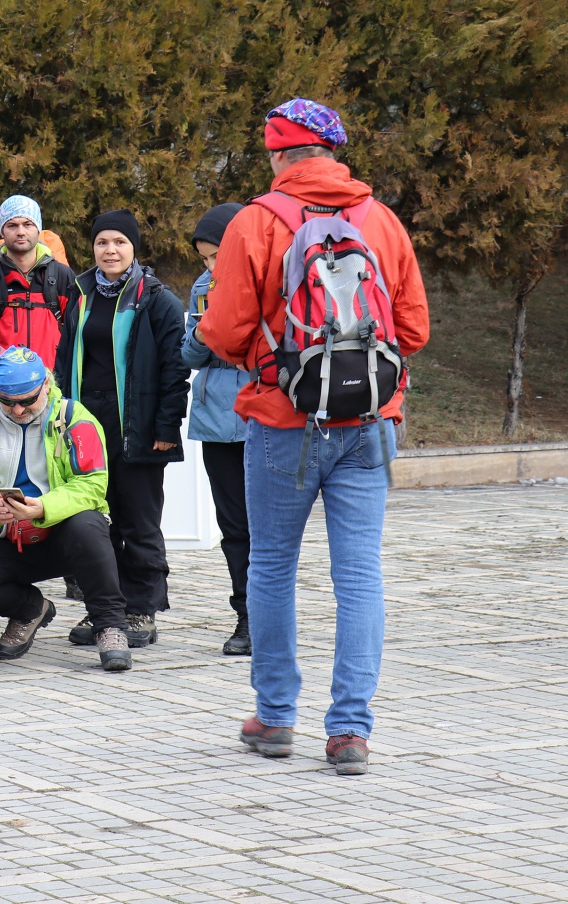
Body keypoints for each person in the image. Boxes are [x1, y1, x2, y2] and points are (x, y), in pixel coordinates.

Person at [199, 98, 430, 775]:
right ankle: (350, 731)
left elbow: (223, 331)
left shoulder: (255, 222)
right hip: (370, 423)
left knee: (271, 565)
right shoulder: (380, 220)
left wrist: (269, 357)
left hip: (281, 421)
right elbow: (412, 331)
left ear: (277, 154)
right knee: (359, 575)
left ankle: (275, 719)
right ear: (334, 151)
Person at [54, 209, 190, 649]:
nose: (109, 250)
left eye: (119, 243)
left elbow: (175, 370)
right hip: (87, 431)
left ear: (134, 248)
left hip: (140, 429)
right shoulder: (81, 294)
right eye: (101, 243)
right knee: (96, 524)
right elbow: (62, 362)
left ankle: (141, 610)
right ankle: (105, 612)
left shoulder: (156, 299)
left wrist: (168, 425)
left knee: (138, 523)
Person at [0, 348, 132, 671]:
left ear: (46, 384)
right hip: (8, 536)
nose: (18, 410)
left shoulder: (76, 418)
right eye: (7, 401)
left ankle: (110, 626)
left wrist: (43, 508)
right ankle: (30, 609)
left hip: (63, 532)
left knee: (88, 525)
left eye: (27, 400)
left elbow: (92, 486)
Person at [181, 203, 252, 657]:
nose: (210, 266)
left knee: (266, 526)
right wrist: (208, 327)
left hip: (262, 418)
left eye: (216, 255)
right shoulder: (202, 288)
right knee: (233, 527)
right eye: (204, 258)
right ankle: (245, 617)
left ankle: (271, 615)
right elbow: (189, 355)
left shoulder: (270, 282)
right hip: (215, 421)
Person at [0, 195, 76, 364]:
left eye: (28, 224)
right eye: (12, 225)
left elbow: (77, 334)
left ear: (38, 229)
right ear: (2, 231)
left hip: (52, 384)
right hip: (2, 384)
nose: (20, 232)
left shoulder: (62, 276)